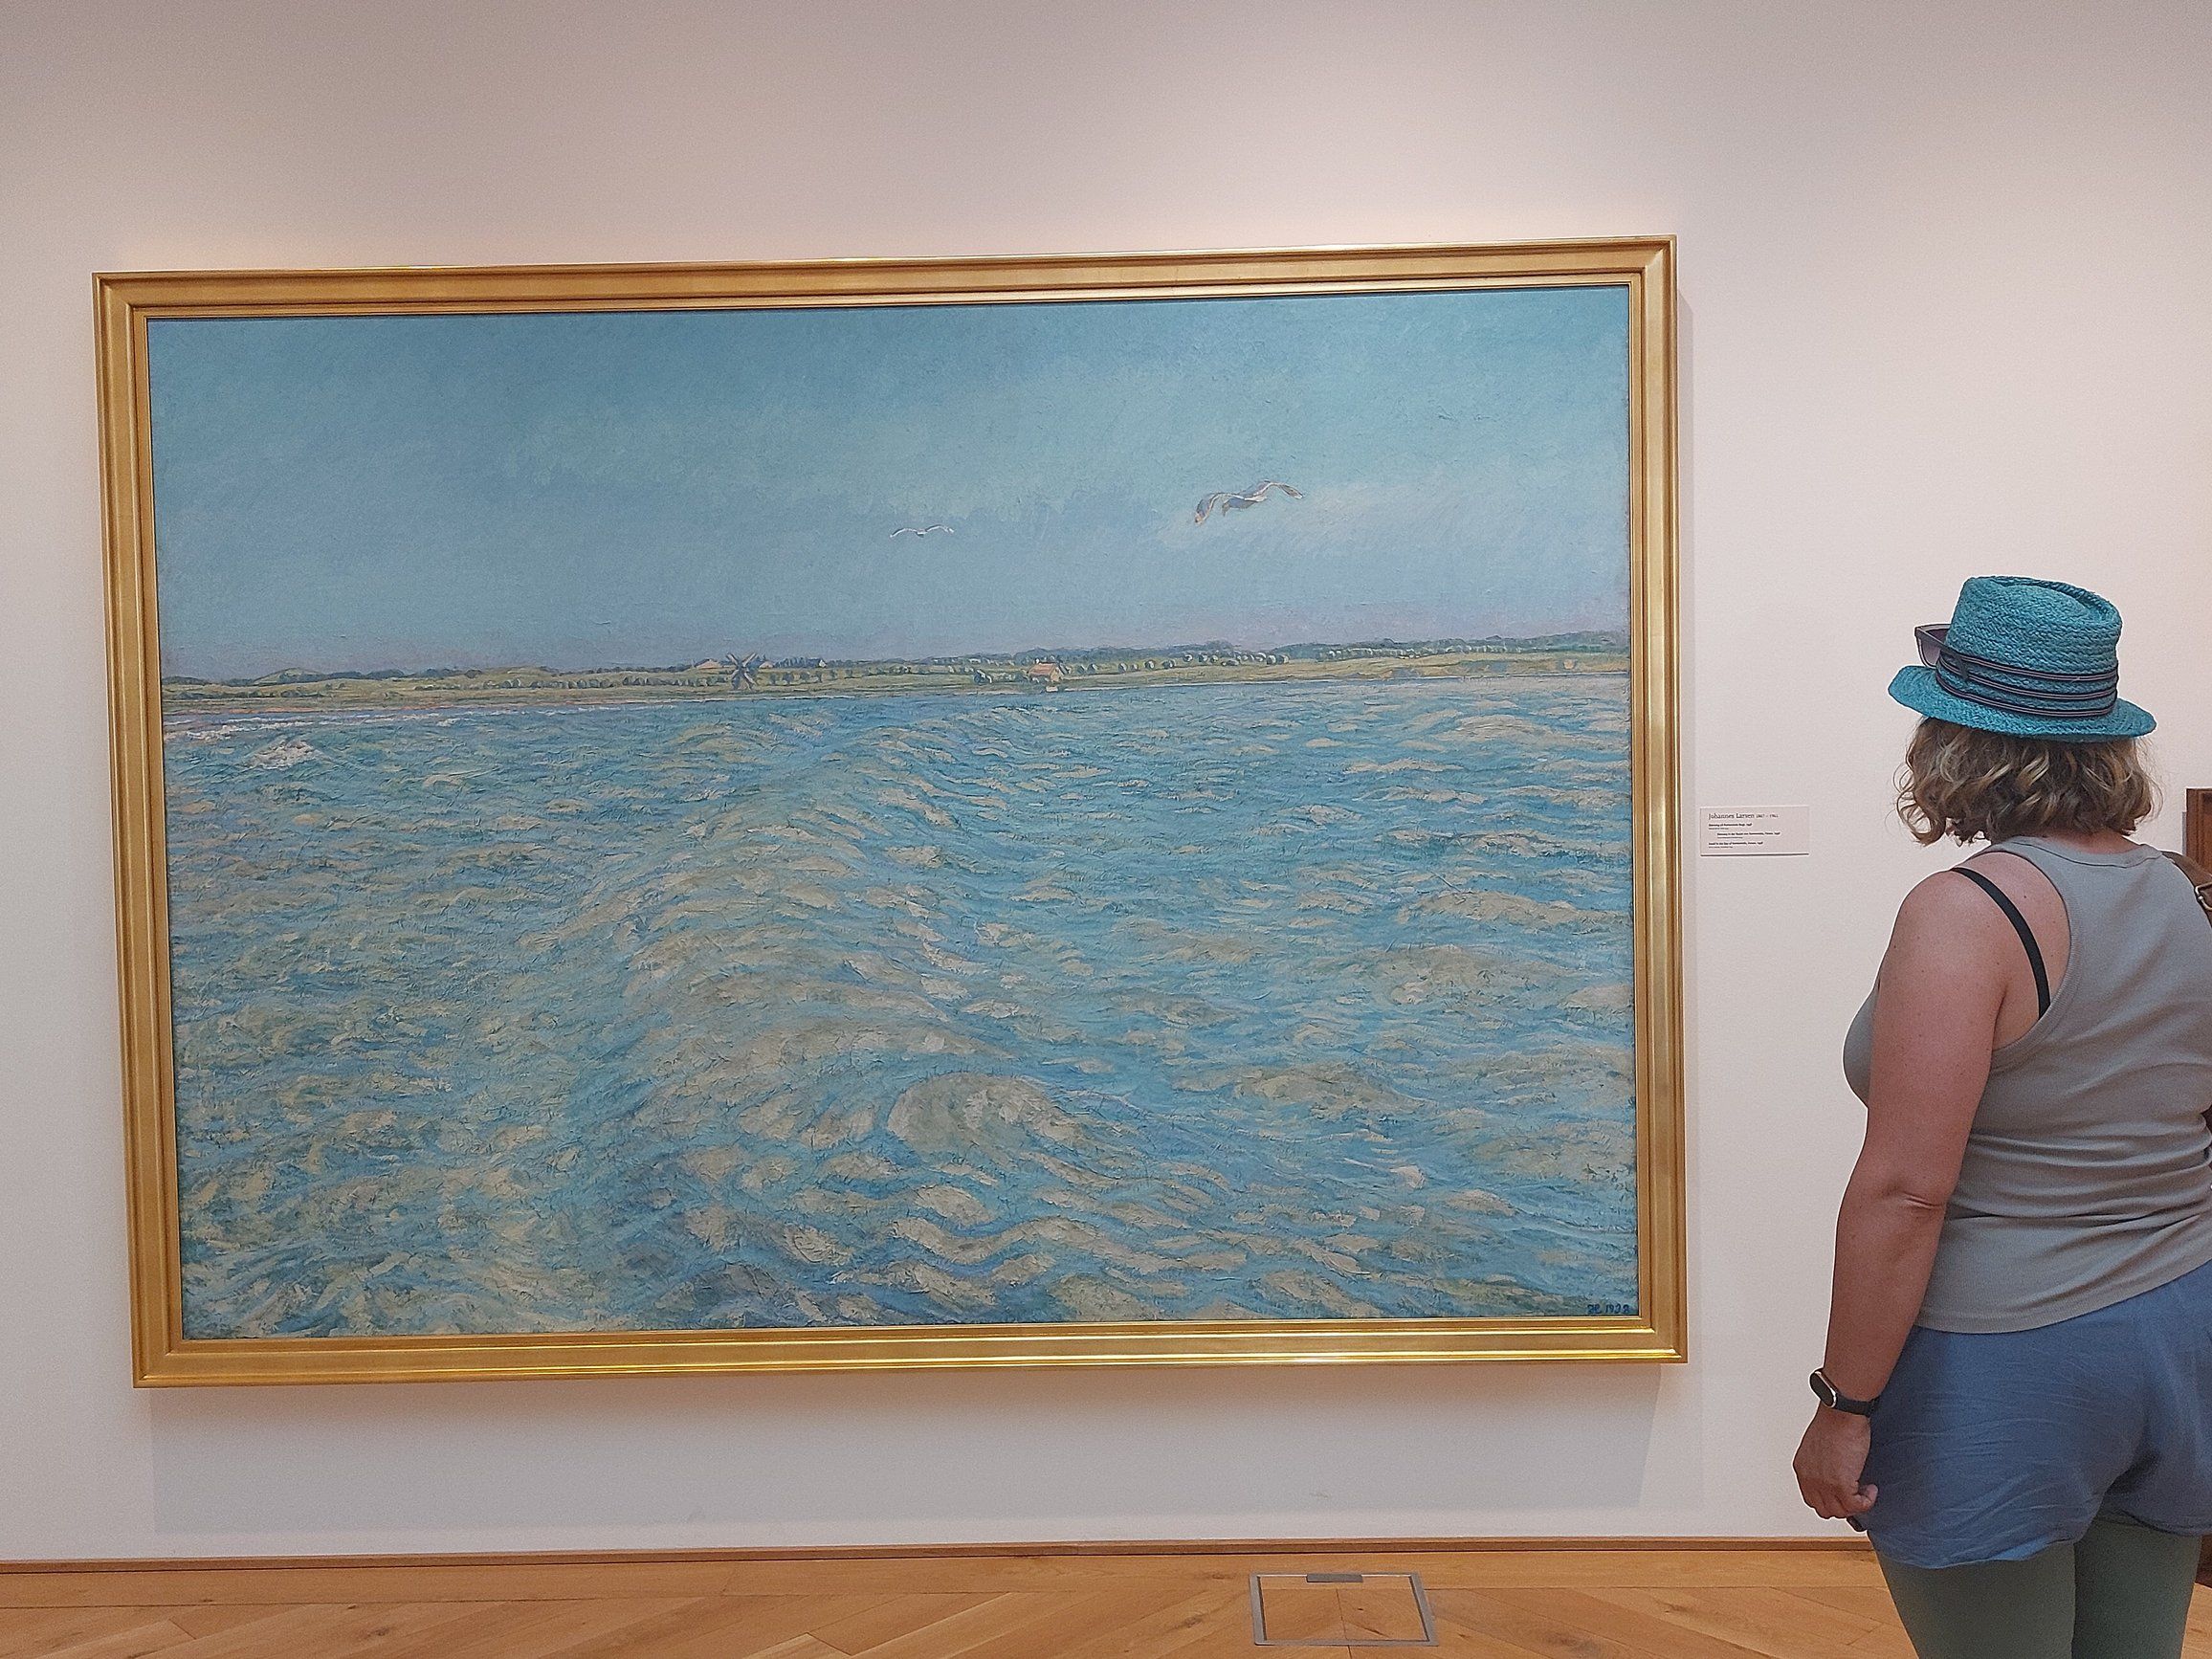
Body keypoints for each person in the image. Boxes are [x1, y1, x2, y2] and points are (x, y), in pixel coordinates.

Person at [1794, 575, 2212, 1657]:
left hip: (2009, 1355)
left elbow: (1905, 1191)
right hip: (2179, 1330)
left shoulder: (1968, 913)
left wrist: (1842, 1404)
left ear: (1954, 743)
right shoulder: (2185, 890)